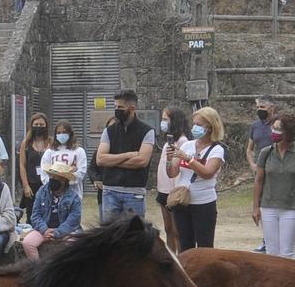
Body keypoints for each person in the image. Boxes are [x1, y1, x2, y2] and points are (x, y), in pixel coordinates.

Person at [252, 112, 295, 259]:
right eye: (273, 128)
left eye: (279, 129)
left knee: (287, 252)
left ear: (289, 132)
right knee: (271, 252)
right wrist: (256, 207)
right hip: (268, 206)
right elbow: (259, 180)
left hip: (291, 208)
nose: (274, 132)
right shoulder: (266, 152)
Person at [166, 108, 227, 252]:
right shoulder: (187, 145)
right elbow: (172, 173)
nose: (195, 128)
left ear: (211, 127)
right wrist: (170, 160)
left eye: (199, 125)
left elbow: (207, 173)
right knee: (184, 244)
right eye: (194, 124)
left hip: (204, 203)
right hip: (182, 201)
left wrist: (189, 159)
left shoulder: (217, 149)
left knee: (204, 246)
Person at [92, 91, 155, 224]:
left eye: (120, 108)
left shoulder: (147, 131)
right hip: (110, 191)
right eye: (115, 107)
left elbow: (142, 161)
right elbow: (100, 160)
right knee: (109, 235)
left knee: (134, 236)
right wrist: (128, 155)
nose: (117, 110)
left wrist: (112, 161)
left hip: (134, 192)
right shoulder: (109, 131)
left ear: (132, 108)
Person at [21, 162, 84, 260]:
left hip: (65, 231)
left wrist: (57, 233)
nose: (52, 180)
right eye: (51, 177)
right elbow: (35, 215)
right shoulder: (42, 192)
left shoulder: (74, 197)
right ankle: (38, 269)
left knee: (73, 245)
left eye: (56, 178)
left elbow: (73, 221)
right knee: (27, 243)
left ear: (64, 180)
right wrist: (44, 230)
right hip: (44, 229)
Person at [154, 106, 190, 252]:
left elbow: (178, 168)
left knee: (177, 230)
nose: (163, 123)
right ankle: (171, 255)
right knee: (168, 228)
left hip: (173, 191)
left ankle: (180, 256)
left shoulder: (183, 141)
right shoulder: (168, 142)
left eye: (165, 119)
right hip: (163, 189)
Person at [39, 120, 86, 195]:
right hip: (53, 193)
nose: (61, 135)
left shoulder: (79, 151)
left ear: (70, 133)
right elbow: (44, 172)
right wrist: (54, 184)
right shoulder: (50, 152)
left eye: (64, 132)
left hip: (74, 193)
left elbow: (81, 172)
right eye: (58, 133)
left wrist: (66, 182)